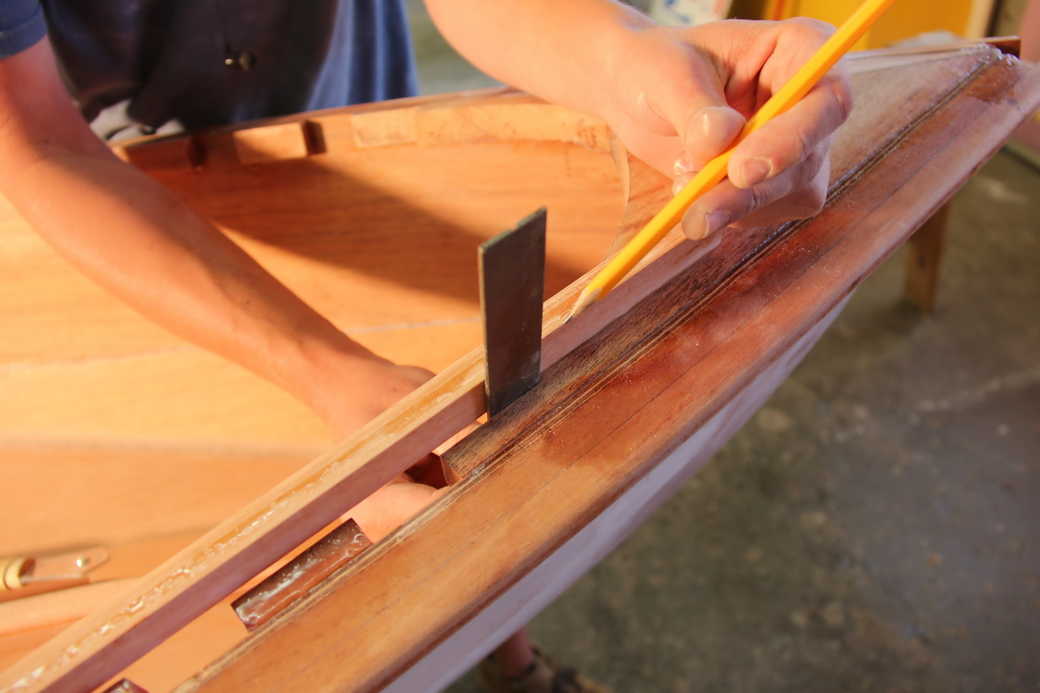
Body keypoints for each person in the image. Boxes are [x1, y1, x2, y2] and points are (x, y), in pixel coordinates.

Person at [0, 2, 850, 691]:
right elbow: (35, 142)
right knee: (391, 461)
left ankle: (509, 663)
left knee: (476, 452)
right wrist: (324, 369)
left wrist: (624, 57)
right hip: (149, 199)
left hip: (370, 131)